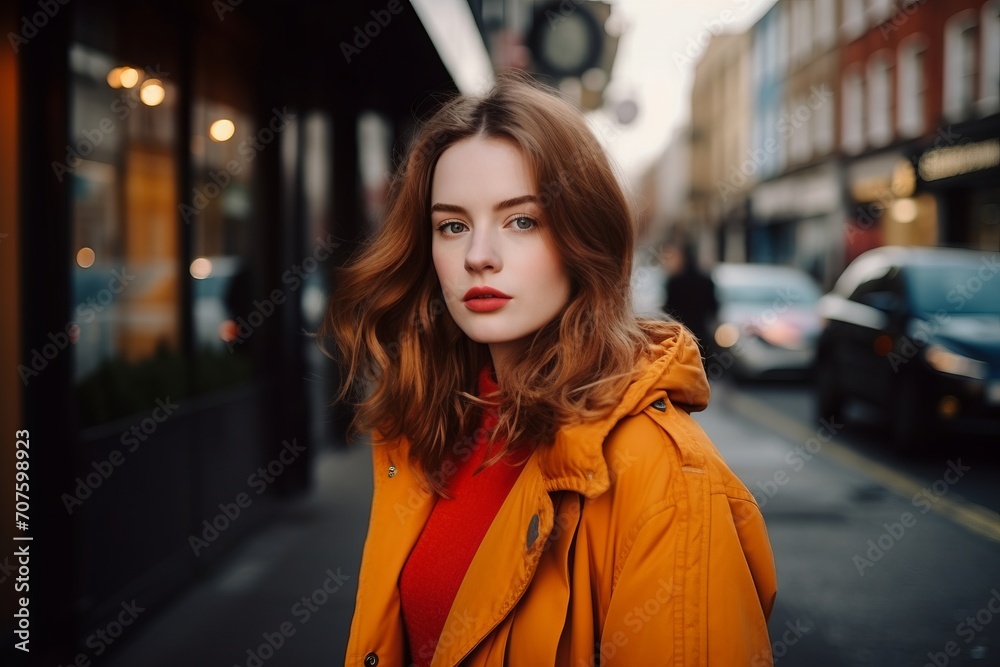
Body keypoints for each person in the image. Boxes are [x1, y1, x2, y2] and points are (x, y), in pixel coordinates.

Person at [322, 73, 776, 666]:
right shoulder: (428, 430)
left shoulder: (665, 478)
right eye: (452, 225)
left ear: (582, 237)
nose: (478, 255)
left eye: (521, 221)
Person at [662, 242, 719, 354]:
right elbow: (713, 308)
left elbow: (668, 311)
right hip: (701, 335)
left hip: (680, 336)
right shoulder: (706, 281)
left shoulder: (674, 282)